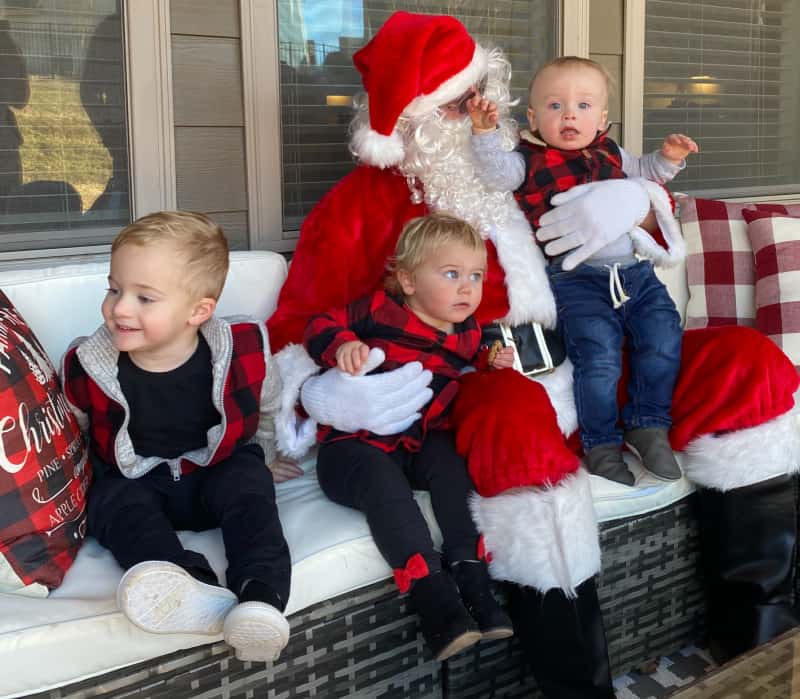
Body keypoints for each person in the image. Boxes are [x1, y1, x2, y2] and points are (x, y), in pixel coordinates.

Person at [268, 12, 800, 696]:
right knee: (514, 416)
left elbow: (625, 199)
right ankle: (581, 686)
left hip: (600, 359)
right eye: (458, 103)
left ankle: (765, 655)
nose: (477, 111)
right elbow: (295, 322)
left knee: (743, 360)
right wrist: (319, 390)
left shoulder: (527, 156)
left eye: (482, 91)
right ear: (416, 119)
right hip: (484, 380)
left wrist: (639, 198)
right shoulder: (360, 204)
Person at [61, 211, 300, 663]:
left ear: (198, 311)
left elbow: (266, 406)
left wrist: (265, 453)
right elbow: (74, 435)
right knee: (113, 501)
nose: (120, 308)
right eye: (114, 289)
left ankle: (259, 596)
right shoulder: (86, 364)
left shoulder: (241, 349)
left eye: (144, 298)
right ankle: (184, 584)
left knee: (250, 485)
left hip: (214, 469)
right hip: (140, 479)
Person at [467, 56, 698, 486]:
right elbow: (496, 175)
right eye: (555, 106)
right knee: (600, 359)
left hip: (636, 273)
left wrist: (670, 158)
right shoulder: (528, 159)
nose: (570, 114)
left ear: (603, 118)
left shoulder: (611, 151)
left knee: (663, 338)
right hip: (578, 280)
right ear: (533, 118)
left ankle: (648, 425)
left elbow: (648, 172)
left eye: (584, 106)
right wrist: (482, 133)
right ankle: (601, 443)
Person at [304, 213, 514, 661]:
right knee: (385, 487)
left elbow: (474, 359)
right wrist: (342, 344)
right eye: (452, 274)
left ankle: (472, 577)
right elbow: (320, 322)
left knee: (453, 466)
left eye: (476, 276)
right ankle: (432, 598)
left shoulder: (470, 331)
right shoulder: (382, 310)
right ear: (409, 280)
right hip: (352, 448)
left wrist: (491, 361)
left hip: (416, 443)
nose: (467, 288)